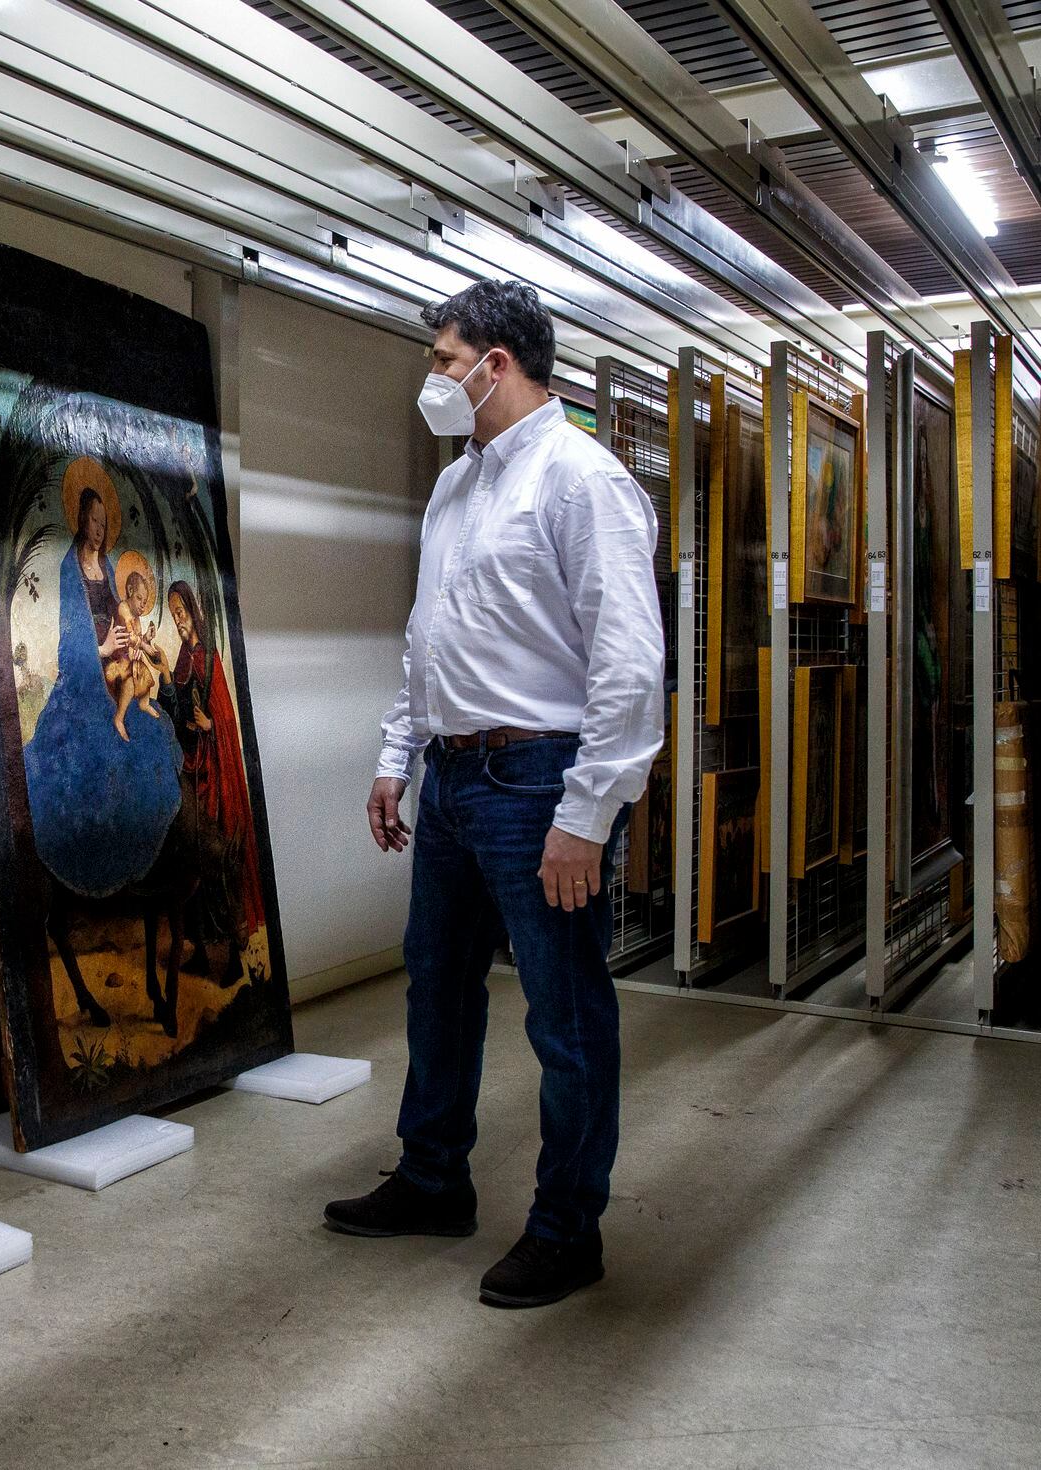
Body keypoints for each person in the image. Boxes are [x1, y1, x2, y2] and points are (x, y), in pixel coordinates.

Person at [324, 281, 664, 1310]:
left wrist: (584, 814)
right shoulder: (457, 485)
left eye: (441, 358)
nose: (433, 376)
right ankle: (432, 1180)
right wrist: (398, 756)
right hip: (454, 775)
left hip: (535, 781)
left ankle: (568, 1230)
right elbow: (430, 637)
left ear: (497, 364)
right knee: (436, 988)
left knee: (563, 1017)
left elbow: (629, 665)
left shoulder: (581, 481)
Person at [20, 457, 182, 899]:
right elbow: (67, 637)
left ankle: (139, 863)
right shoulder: (68, 569)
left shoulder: (109, 566)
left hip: (114, 671)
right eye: (92, 519)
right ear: (79, 519)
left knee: (147, 728)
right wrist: (102, 650)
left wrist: (129, 643)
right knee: (93, 750)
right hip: (84, 673)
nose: (97, 527)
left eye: (103, 521)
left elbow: (118, 614)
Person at [163, 580, 264, 955]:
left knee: (218, 847)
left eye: (182, 612)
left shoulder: (210, 659)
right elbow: (175, 709)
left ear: (193, 612)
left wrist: (209, 726)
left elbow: (224, 719)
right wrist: (162, 676)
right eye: (173, 614)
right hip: (191, 758)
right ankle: (202, 942)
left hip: (214, 765)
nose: (178, 621)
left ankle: (229, 942)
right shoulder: (182, 660)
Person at [102, 567, 164, 741]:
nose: (142, 605)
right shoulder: (123, 608)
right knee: (129, 681)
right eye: (139, 598)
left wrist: (146, 638)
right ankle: (119, 718)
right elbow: (130, 638)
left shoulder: (136, 617)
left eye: (145, 602)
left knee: (145, 674)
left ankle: (144, 704)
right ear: (129, 591)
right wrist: (145, 645)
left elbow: (137, 642)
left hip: (129, 661)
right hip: (116, 662)